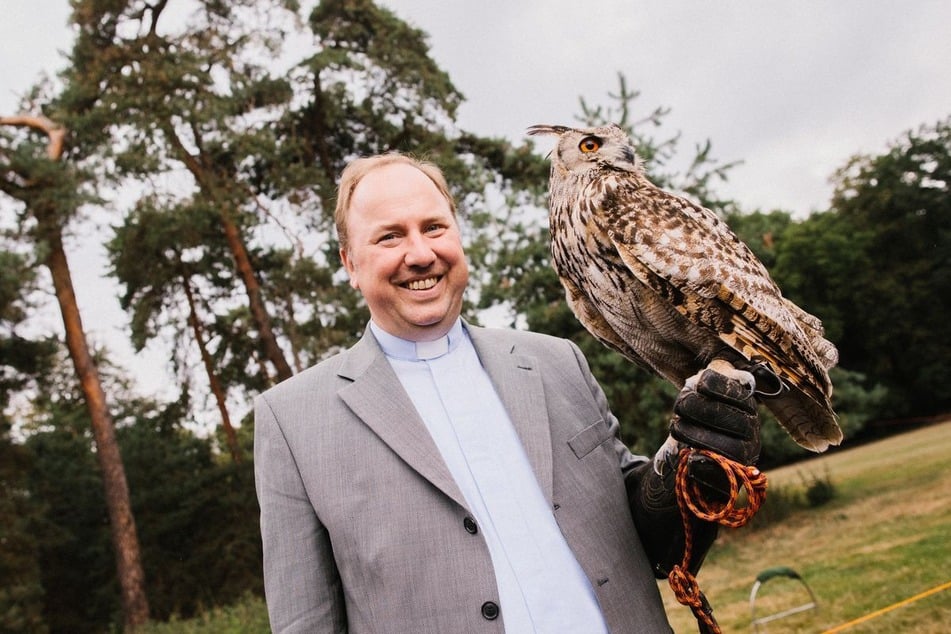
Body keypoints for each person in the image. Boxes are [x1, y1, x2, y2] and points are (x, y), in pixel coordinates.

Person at [253, 152, 761, 633]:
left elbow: (654, 542)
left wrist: (696, 467)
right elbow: (305, 621)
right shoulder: (292, 421)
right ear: (349, 262)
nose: (420, 253)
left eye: (434, 227)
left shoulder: (556, 360)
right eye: (389, 237)